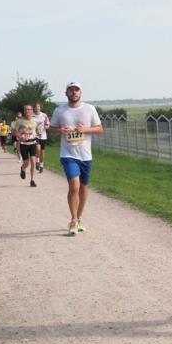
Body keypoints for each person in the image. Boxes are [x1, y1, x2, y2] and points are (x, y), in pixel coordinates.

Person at [48, 83, 103, 235]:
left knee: (83, 188)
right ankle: (73, 219)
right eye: (71, 90)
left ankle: (79, 218)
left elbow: (100, 129)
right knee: (74, 185)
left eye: (76, 90)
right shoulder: (60, 110)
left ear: (81, 93)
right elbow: (51, 128)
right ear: (66, 93)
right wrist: (60, 130)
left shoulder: (89, 109)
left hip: (85, 155)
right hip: (68, 154)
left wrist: (86, 129)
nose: (74, 92)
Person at [13, 105, 40, 187]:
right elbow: (15, 132)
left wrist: (39, 132)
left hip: (33, 143)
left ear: (32, 111)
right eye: (26, 110)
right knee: (26, 163)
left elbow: (38, 130)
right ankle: (22, 168)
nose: (27, 111)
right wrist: (20, 137)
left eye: (29, 109)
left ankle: (32, 180)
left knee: (33, 161)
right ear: (24, 111)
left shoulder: (35, 120)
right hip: (24, 144)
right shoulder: (19, 121)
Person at [34, 102, 50, 173]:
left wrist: (43, 129)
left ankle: (41, 165)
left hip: (43, 135)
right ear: (34, 108)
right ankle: (37, 161)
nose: (37, 108)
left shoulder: (44, 115)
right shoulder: (32, 116)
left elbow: (47, 125)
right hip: (35, 135)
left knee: (42, 152)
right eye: (36, 106)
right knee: (38, 148)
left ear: (40, 108)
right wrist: (35, 131)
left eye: (38, 107)